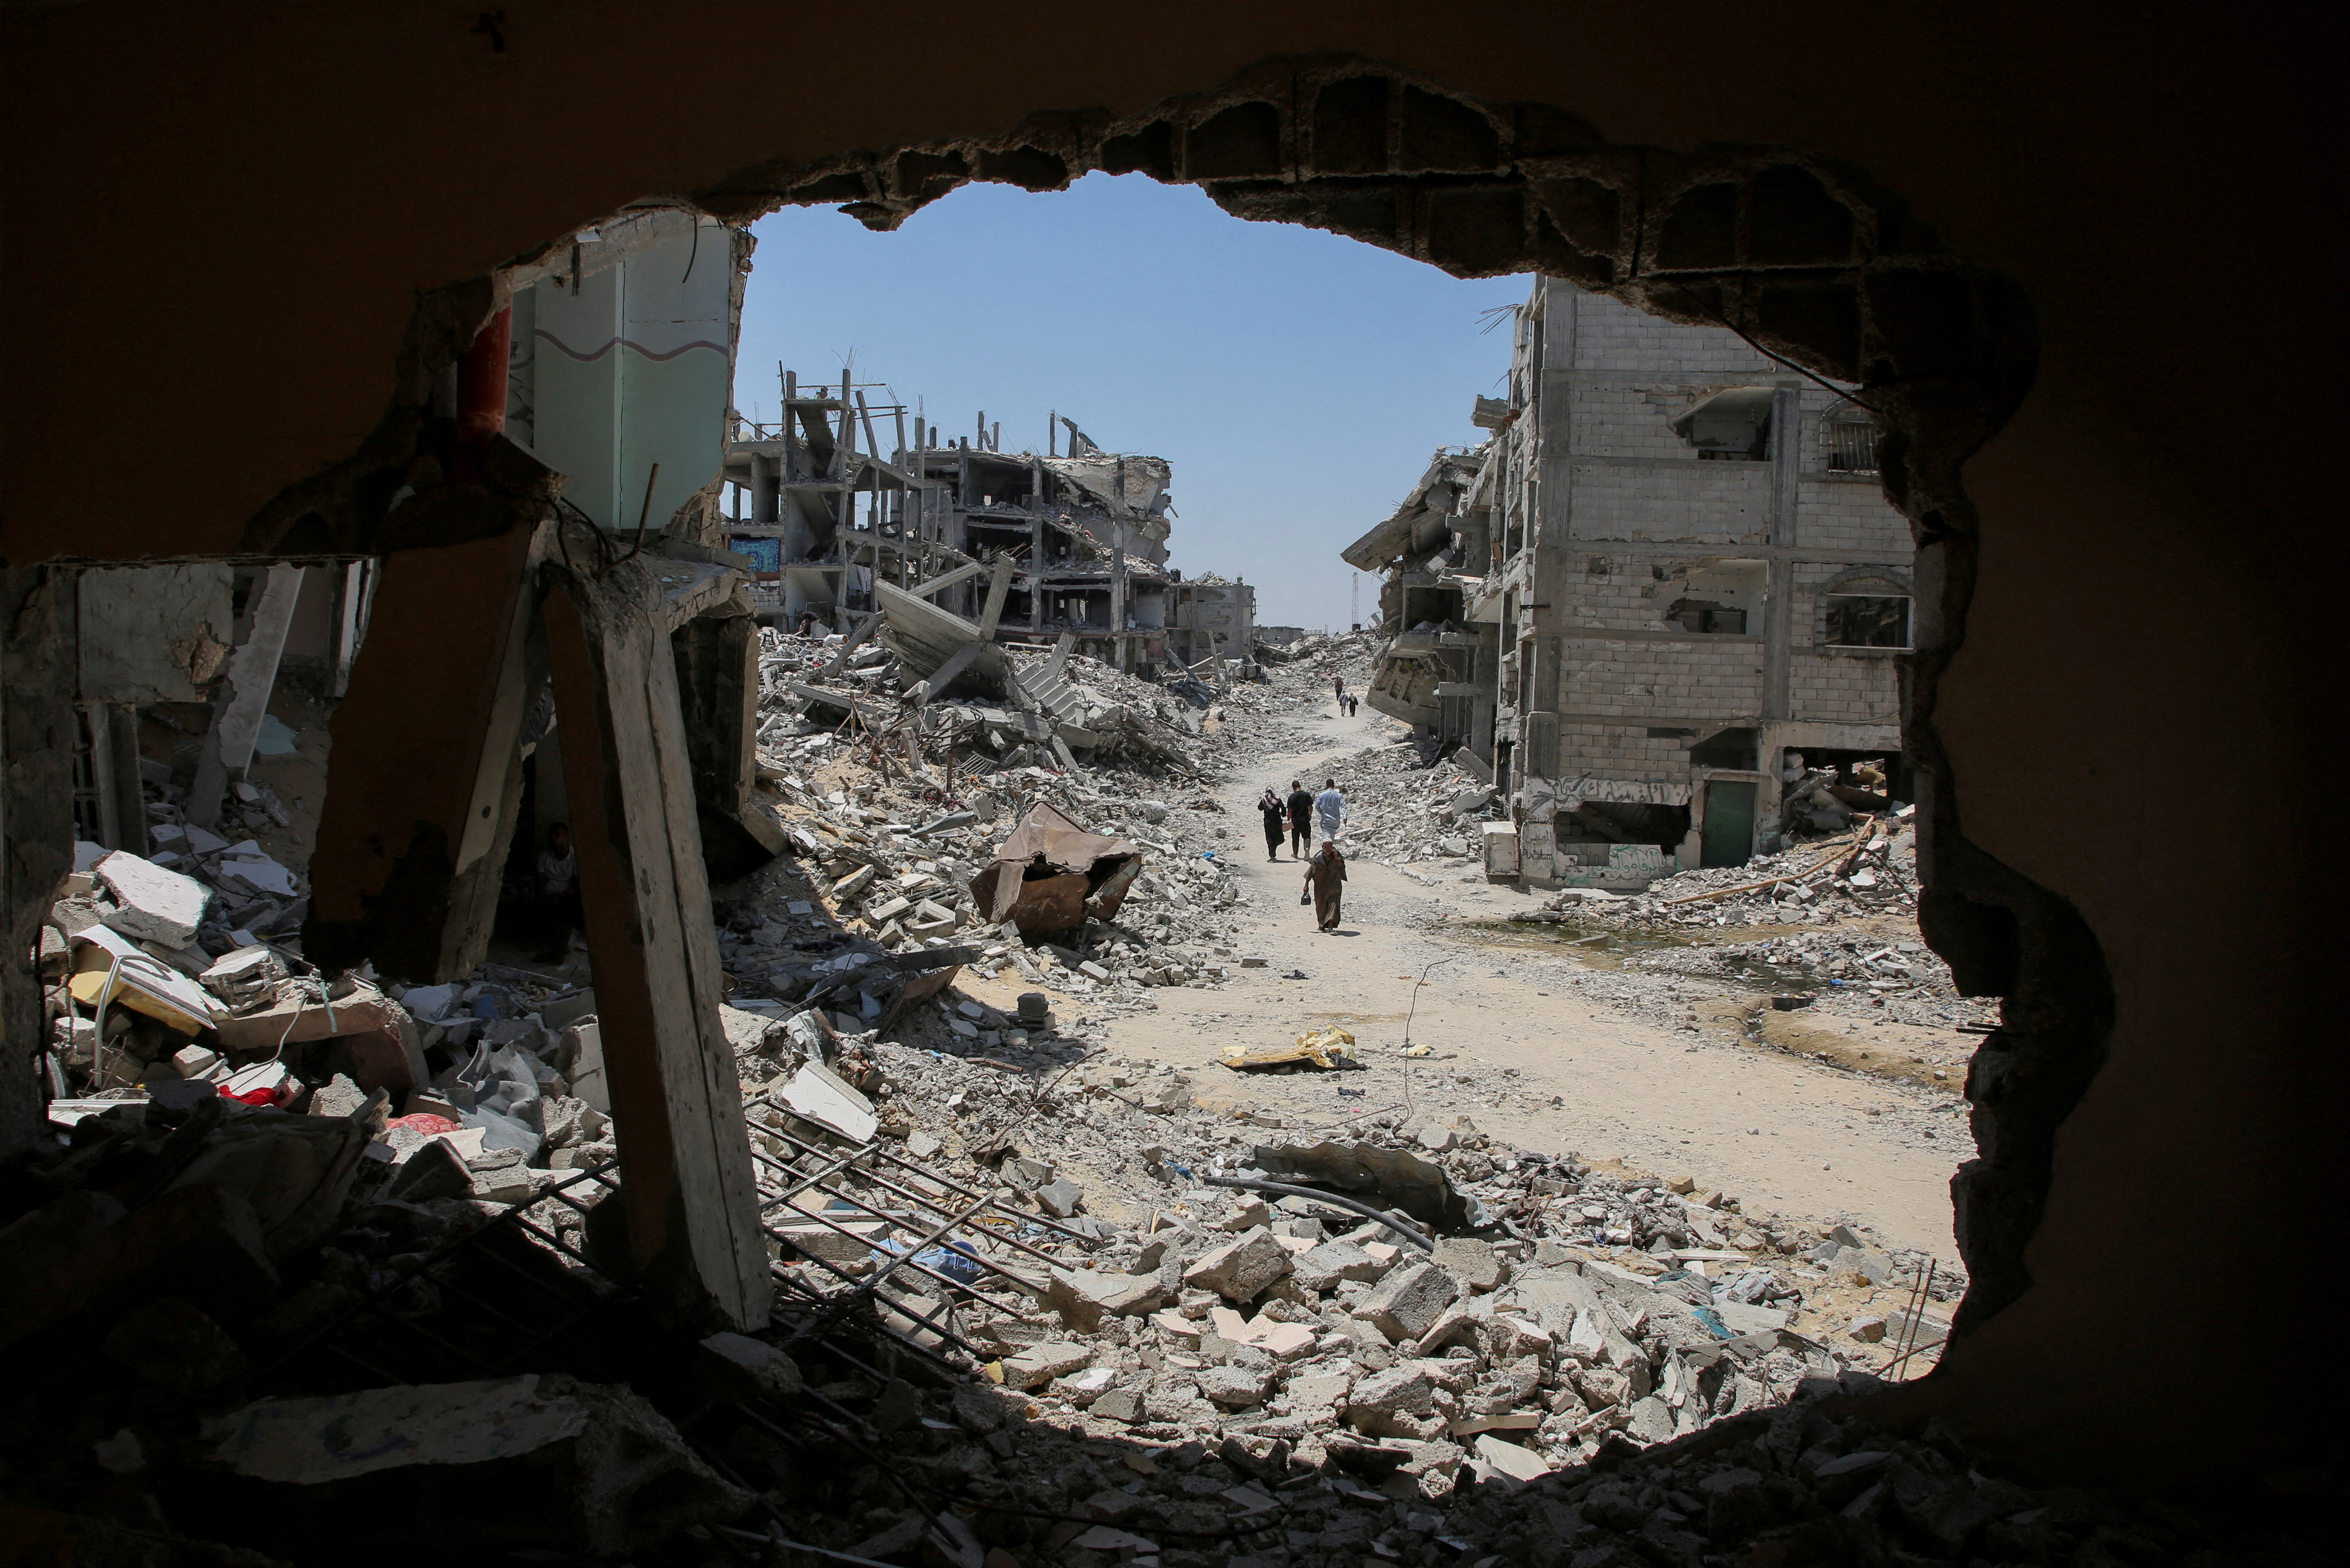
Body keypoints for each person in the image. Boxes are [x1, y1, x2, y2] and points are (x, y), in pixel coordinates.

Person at [536, 822, 582, 962]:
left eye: (557, 834)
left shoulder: (575, 856)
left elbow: (574, 886)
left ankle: (559, 953)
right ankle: (559, 950)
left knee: (568, 910)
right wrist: (543, 901)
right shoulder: (544, 856)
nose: (553, 838)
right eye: (551, 835)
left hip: (567, 895)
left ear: (567, 837)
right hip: (550, 894)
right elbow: (540, 882)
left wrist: (558, 900)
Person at [1303, 840, 1347, 931]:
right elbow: (1311, 872)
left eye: (1330, 847)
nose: (1328, 849)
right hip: (1321, 887)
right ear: (1323, 847)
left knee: (1334, 904)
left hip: (1334, 886)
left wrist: (1336, 859)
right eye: (1326, 847)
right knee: (1321, 906)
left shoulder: (1336, 857)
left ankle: (1330, 927)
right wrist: (1306, 885)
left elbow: (1341, 866)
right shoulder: (1318, 860)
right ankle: (1322, 925)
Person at [1314, 777, 1348, 844]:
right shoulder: (1339, 796)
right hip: (1336, 821)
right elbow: (1344, 806)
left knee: (1327, 838)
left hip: (1326, 821)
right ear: (1334, 786)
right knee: (1332, 837)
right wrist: (1345, 817)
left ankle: (1328, 851)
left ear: (1326, 786)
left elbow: (1317, 806)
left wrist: (1322, 813)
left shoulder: (1322, 795)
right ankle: (1331, 849)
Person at [1257, 787, 1287, 862]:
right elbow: (1283, 808)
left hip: (1268, 822)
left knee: (1270, 839)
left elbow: (1260, 808)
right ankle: (1274, 848)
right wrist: (1283, 815)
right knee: (1278, 837)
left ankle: (1272, 856)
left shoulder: (1265, 800)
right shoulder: (1277, 799)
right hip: (1277, 822)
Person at [1285, 781, 1313, 858]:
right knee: (1307, 836)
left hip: (1295, 821)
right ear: (1300, 786)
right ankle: (1307, 849)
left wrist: (1289, 819)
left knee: (1295, 838)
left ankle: (1296, 854)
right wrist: (1310, 815)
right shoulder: (1307, 795)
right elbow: (1310, 807)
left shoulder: (1292, 797)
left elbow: (1290, 811)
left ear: (1293, 788)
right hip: (1305, 820)